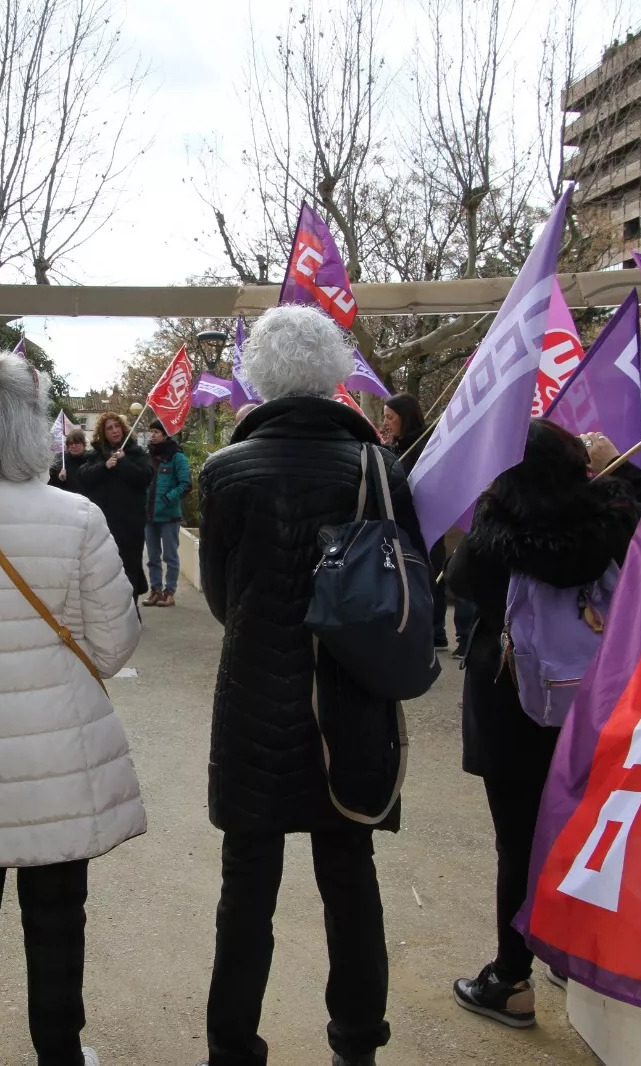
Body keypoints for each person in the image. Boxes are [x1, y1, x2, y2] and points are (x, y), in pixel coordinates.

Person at [198, 305, 421, 1066]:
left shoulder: (225, 471)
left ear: (258, 375)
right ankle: (356, 1045)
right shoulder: (378, 468)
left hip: (254, 698)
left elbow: (222, 597)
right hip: (348, 697)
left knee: (246, 888)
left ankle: (231, 1047)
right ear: (335, 374)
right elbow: (408, 582)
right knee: (350, 876)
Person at [0, 340, 143, 1066]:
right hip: (56, 751)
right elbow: (114, 645)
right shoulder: (78, 517)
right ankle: (59, 1052)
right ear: (34, 429)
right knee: (56, 915)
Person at [447, 419, 641, 1030]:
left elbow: (459, 582)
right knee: (578, 827)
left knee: (518, 842)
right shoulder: (610, 522)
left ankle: (511, 979)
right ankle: (568, 950)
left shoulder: (493, 536)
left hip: (509, 700)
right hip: (592, 700)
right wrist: (618, 469)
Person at [382, 393, 457, 652]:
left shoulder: (427, 446)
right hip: (405, 522)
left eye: (390, 417)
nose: (386, 423)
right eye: (384, 417)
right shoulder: (397, 447)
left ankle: (435, 631)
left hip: (425, 520)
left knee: (430, 574)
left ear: (405, 417)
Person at [78, 412, 152, 601]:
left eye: (117, 426)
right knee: (106, 568)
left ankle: (131, 608)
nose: (114, 431)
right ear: (103, 433)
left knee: (130, 567)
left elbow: (144, 477)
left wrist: (123, 462)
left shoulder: (136, 452)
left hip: (131, 523)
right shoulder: (96, 454)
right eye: (109, 428)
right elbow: (84, 477)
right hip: (104, 524)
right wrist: (105, 466)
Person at [141, 423, 190, 607]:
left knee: (170, 556)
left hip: (169, 516)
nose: (152, 435)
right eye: (150, 432)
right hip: (149, 515)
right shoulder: (148, 456)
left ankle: (170, 592)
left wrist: (168, 498)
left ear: (165, 434)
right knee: (153, 557)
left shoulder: (177, 457)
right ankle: (156, 591)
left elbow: (186, 484)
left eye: (156, 432)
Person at [49, 428, 89, 494]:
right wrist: (59, 479)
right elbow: (51, 486)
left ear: (84, 444)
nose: (73, 446)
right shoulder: (60, 459)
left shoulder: (91, 459)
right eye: (70, 443)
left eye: (77, 443)